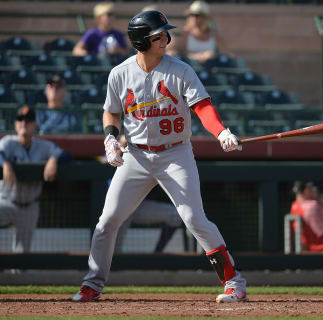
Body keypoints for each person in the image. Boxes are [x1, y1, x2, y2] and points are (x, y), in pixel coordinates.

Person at [72, 10, 246, 303]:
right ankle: (92, 284)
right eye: (158, 35)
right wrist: (111, 137)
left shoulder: (180, 70)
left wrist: (221, 132)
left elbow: (202, 107)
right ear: (141, 41)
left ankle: (234, 282)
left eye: (166, 33)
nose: (166, 37)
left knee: (194, 218)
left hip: (176, 153)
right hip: (137, 155)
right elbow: (111, 110)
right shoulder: (120, 73)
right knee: (107, 220)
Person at [0, 106, 64, 253]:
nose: (24, 123)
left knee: (21, 257)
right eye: (20, 120)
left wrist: (53, 159)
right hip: (6, 201)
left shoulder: (42, 145)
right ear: (16, 125)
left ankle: (16, 275)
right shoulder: (8, 142)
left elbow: (62, 153)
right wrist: (5, 164)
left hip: (29, 206)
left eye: (28, 120)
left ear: (35, 125)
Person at [290, 181, 323, 253]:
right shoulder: (312, 206)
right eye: (312, 187)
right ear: (306, 190)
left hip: (310, 249)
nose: (315, 189)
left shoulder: (294, 206)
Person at [177, 0, 230, 65]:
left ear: (205, 17)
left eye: (197, 15)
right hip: (191, 67)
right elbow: (181, 53)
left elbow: (226, 53)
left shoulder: (213, 33)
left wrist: (212, 55)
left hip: (211, 67)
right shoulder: (186, 32)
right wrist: (195, 56)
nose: (194, 18)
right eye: (191, 15)